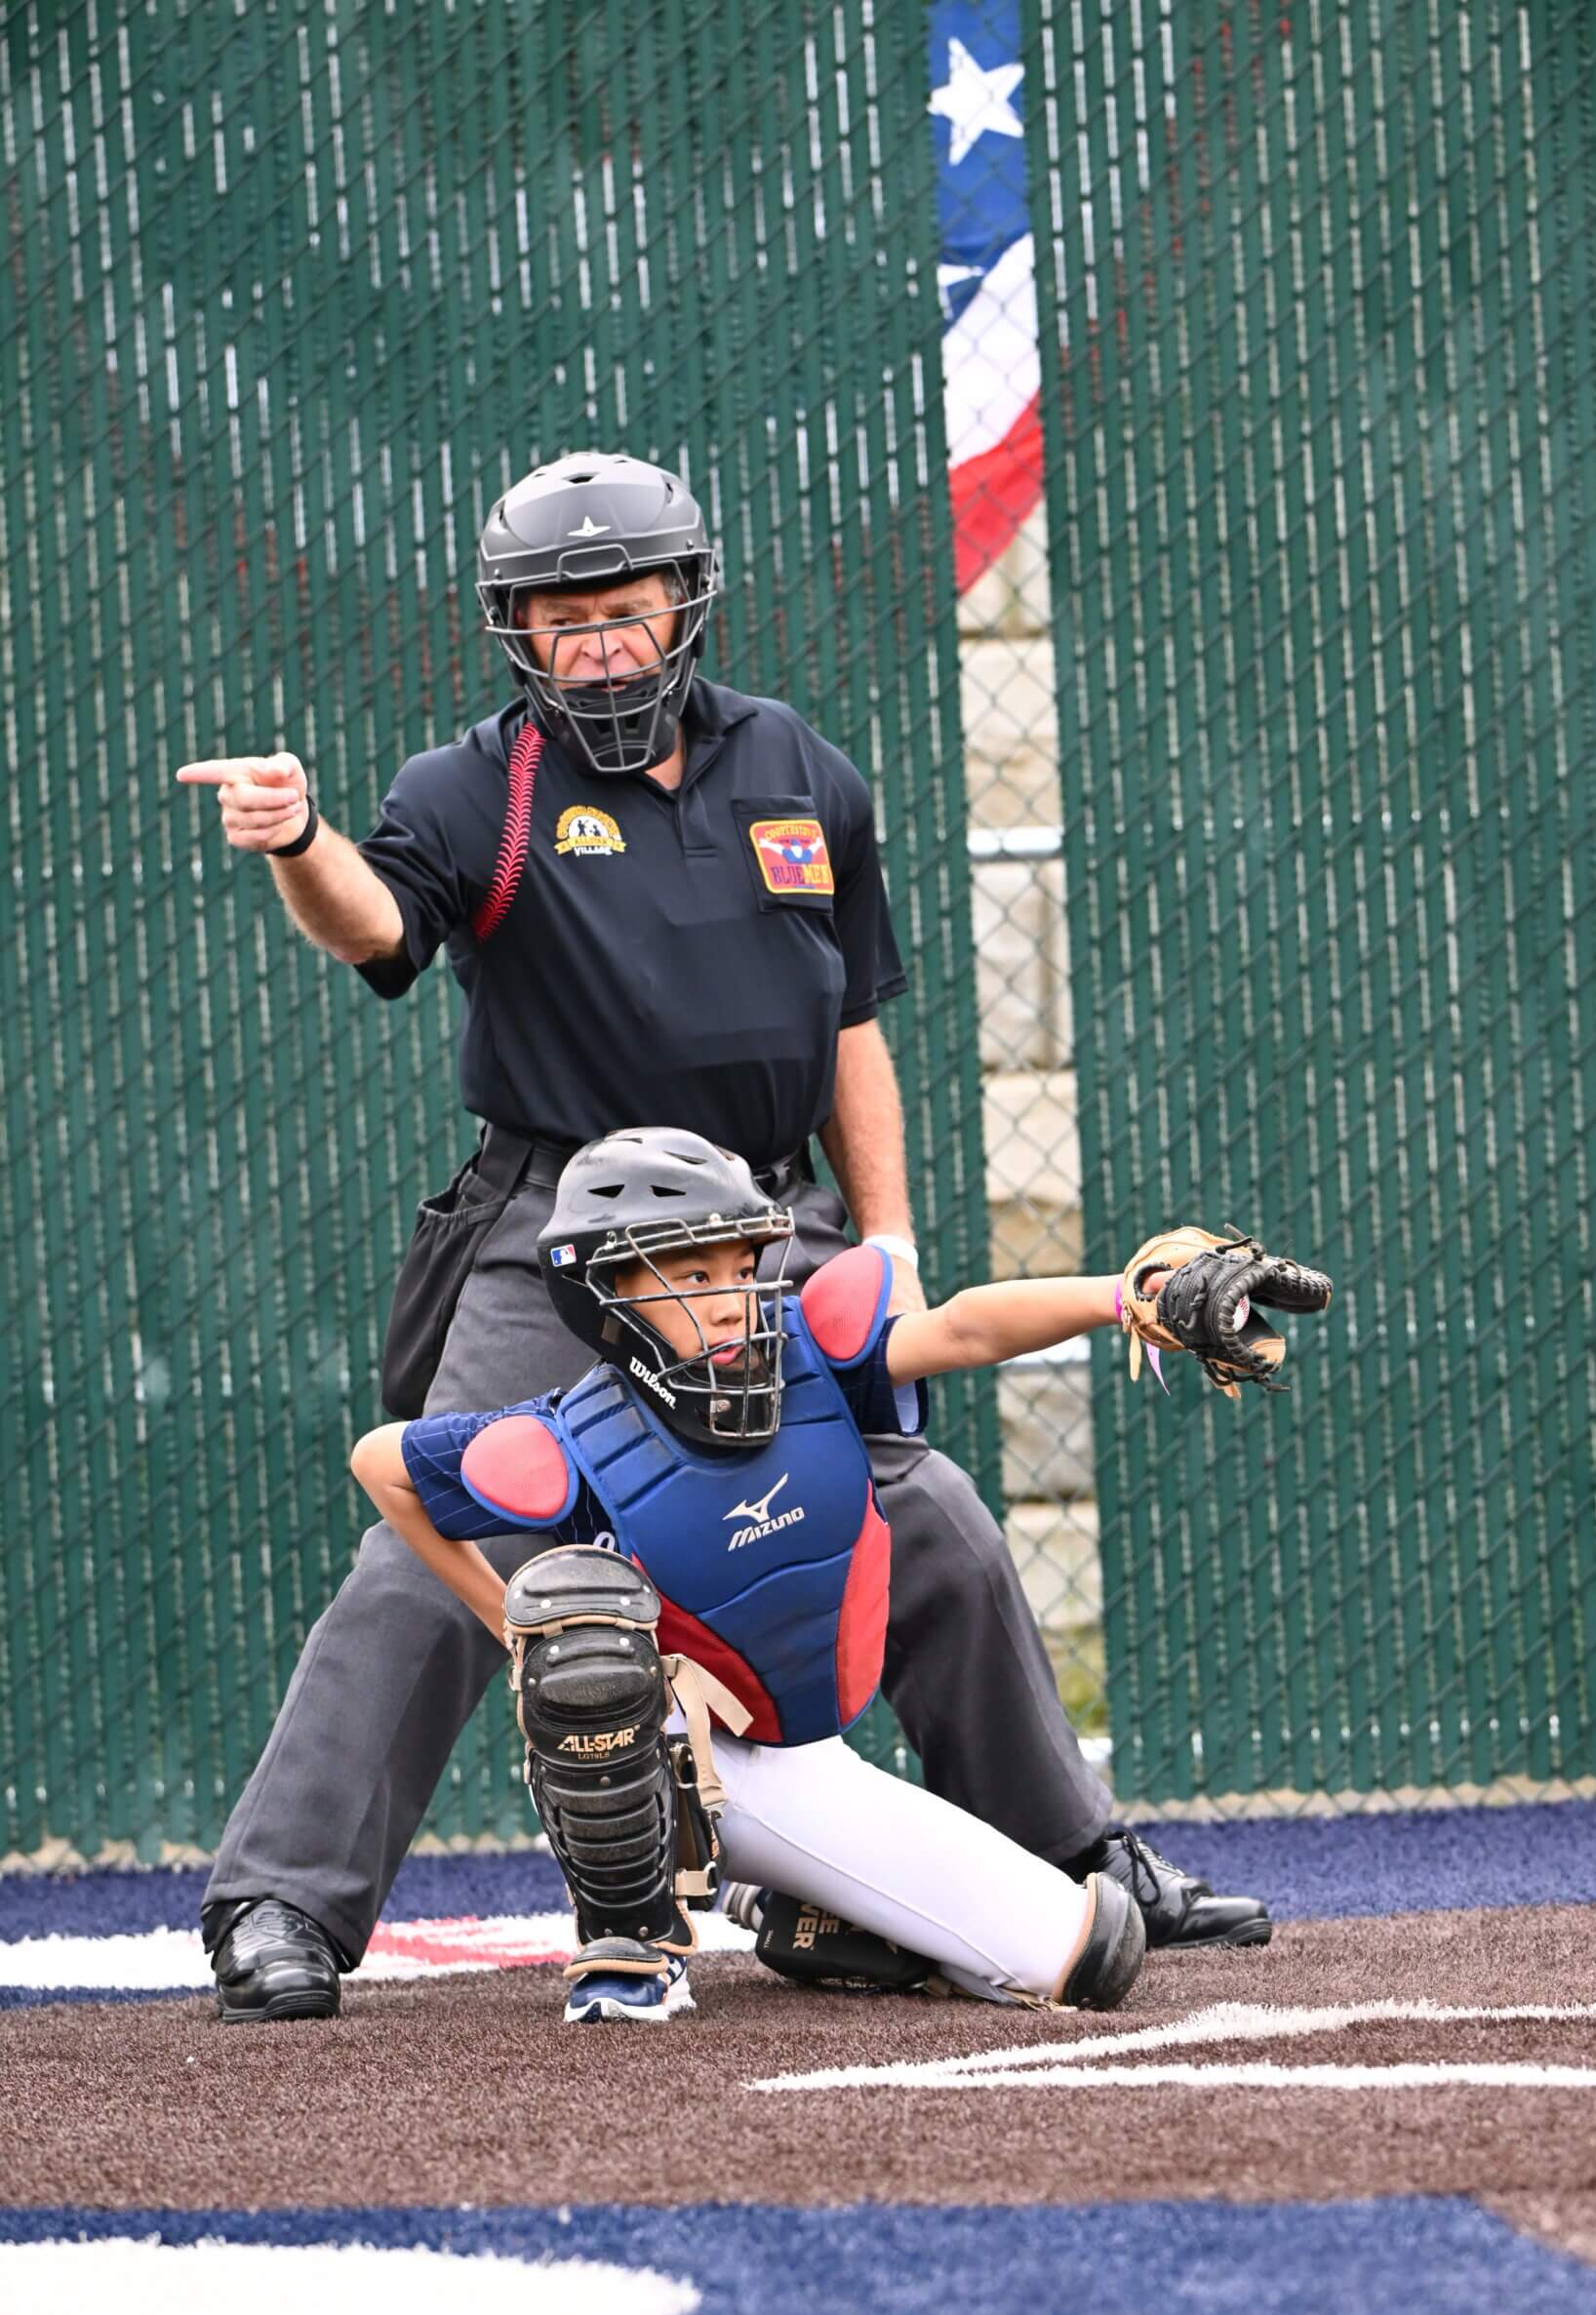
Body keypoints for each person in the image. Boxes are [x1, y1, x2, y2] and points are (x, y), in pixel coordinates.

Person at [176, 449, 1266, 2023]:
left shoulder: (803, 775)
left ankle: (1081, 1855)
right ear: (519, 638)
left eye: (623, 611)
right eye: (561, 622)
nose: (598, 645)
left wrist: (882, 1236)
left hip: (762, 1228)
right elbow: (373, 930)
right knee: (452, 1530)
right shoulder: (468, 792)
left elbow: (852, 1032)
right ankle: (281, 1905)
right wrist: (298, 841)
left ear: (683, 605)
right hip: (553, 1226)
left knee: (927, 1509)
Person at [350, 1127, 1163, 2022]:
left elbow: (964, 1328)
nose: (731, 1299)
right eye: (691, 1277)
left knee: (1091, 1954)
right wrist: (508, 1620)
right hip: (667, 1757)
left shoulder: (808, 1353)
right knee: (580, 1618)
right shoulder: (570, 1439)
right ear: (610, 1291)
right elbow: (380, 1463)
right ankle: (634, 1942)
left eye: (739, 1267)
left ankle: (786, 1906)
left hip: (799, 1752)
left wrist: (1122, 1297)